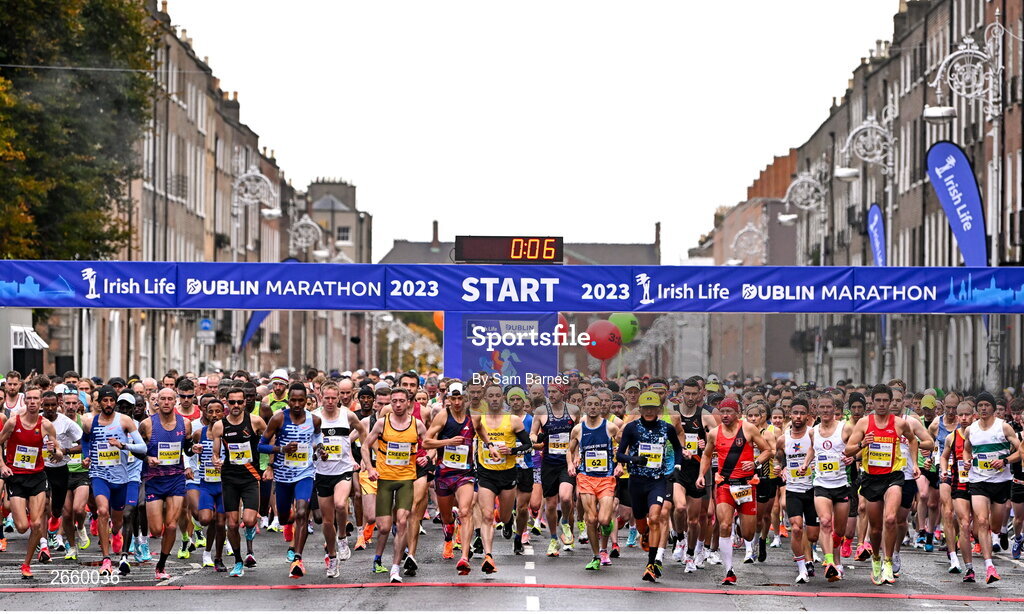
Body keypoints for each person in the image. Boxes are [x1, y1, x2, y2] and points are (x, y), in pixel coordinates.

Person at [844, 384, 920, 585]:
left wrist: (914, 463)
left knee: (891, 518)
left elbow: (913, 441)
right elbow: (848, 450)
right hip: (872, 478)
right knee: (876, 528)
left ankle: (888, 561)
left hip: (894, 476)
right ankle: (876, 558)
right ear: (872, 402)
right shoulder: (864, 423)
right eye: (878, 400)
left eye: (885, 400)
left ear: (890, 401)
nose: (882, 404)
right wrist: (863, 444)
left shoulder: (899, 423)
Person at [698, 397, 772, 585]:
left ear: (737, 413)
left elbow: (767, 450)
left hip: (745, 485)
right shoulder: (714, 433)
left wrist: (755, 463)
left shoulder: (748, 429)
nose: (725, 415)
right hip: (725, 485)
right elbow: (707, 455)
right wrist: (701, 475)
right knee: (724, 525)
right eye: (722, 412)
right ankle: (729, 570)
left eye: (729, 412)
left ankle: (740, 522)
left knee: (748, 534)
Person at [617, 391, 685, 582]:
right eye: (645, 408)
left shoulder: (666, 428)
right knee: (641, 525)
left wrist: (677, 467)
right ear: (640, 409)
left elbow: (677, 448)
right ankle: (645, 533)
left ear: (659, 409)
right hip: (637, 481)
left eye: (652, 408)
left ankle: (651, 564)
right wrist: (634, 459)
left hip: (658, 480)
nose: (649, 411)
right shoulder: (631, 428)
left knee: (655, 517)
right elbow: (619, 455)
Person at [81, 385, 147, 577]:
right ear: (99, 403)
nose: (108, 404)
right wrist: (86, 456)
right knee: (102, 511)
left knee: (118, 521)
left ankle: (116, 532)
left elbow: (142, 448)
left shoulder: (125, 421)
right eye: (105, 401)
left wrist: (123, 445)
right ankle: (106, 559)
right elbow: (85, 440)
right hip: (99, 475)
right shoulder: (90, 422)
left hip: (122, 477)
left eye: (111, 401)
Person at [259, 382, 322, 579]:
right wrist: (281, 449)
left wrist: (321, 450)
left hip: (305, 474)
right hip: (283, 476)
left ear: (306, 400)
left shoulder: (315, 420)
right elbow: (261, 446)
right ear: (288, 400)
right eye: (293, 400)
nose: (296, 404)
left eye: (300, 400)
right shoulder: (278, 418)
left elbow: (318, 440)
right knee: (285, 517)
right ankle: (288, 522)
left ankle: (297, 558)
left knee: (303, 512)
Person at [362, 387, 425, 583]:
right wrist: (370, 468)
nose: (397, 405)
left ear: (408, 403)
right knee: (384, 527)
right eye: (394, 401)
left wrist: (428, 457)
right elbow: (365, 446)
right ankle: (378, 558)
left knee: (403, 521)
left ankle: (395, 568)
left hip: (406, 479)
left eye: (401, 401)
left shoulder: (417, 424)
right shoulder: (382, 423)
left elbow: (430, 444)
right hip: (385, 480)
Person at [0, 387, 63, 578]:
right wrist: (2, 465)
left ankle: (26, 564)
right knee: (21, 527)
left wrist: (54, 451)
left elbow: (59, 454)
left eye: (36, 398)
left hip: (37, 477)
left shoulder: (46, 425)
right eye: (30, 398)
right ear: (25, 401)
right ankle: (21, 510)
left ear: (41, 401)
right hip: (17, 477)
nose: (33, 402)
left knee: (36, 524)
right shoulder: (13, 422)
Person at [472, 383, 533, 575]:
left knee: (504, 516)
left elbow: (528, 445)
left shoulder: (513, 420)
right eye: (491, 396)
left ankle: (508, 521)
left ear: (502, 398)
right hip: (486, 473)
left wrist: (512, 450)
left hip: (507, 474)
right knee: (487, 516)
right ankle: (489, 556)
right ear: (485, 398)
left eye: (497, 395)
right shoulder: (478, 420)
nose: (494, 399)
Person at [962, 391, 1022, 584]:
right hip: (978, 480)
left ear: (994, 408)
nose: (983, 408)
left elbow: (1020, 450)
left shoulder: (1003, 427)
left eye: (987, 405)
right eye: (980, 405)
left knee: (994, 526)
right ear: (976, 409)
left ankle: (981, 533)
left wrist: (1005, 461)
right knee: (982, 520)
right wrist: (967, 461)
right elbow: (966, 450)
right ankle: (989, 567)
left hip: (1000, 482)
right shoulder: (971, 429)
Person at [314, 382, 370, 578]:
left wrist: (363, 456)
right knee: (327, 521)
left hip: (343, 469)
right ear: (321, 397)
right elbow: (308, 440)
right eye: (326, 398)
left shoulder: (348, 415)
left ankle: (343, 537)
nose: (330, 401)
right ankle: (332, 557)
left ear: (338, 398)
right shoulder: (314, 417)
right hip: (322, 472)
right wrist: (317, 450)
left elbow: (362, 431)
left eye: (333, 398)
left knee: (340, 504)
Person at [211, 387, 267, 577]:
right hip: (229, 478)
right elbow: (215, 453)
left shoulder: (255, 421)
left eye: (239, 402)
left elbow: (271, 438)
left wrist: (270, 465)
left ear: (245, 403)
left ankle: (250, 530)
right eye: (232, 402)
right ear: (226, 402)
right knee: (233, 524)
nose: (236, 405)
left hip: (250, 477)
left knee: (249, 520)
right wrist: (216, 460)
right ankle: (238, 560)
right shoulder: (219, 426)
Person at [138, 387, 193, 580]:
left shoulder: (185, 423)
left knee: (171, 526)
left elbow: (187, 449)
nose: (167, 402)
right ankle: (160, 512)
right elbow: (137, 450)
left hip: (176, 478)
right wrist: (148, 458)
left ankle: (161, 565)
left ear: (175, 401)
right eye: (163, 399)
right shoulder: (146, 424)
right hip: (154, 479)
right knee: (155, 530)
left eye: (170, 399)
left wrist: (195, 448)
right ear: (157, 402)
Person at [422, 382, 477, 570]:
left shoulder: (473, 417)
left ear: (466, 399)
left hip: (465, 473)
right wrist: (448, 442)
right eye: (453, 398)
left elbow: (485, 436)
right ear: (448, 399)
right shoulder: (443, 416)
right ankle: (448, 534)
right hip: (444, 474)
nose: (457, 402)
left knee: (465, 511)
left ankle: (464, 556)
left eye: (460, 398)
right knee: (447, 517)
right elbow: (426, 442)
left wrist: (492, 447)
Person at [568, 393, 622, 571]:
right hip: (586, 477)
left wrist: (620, 464)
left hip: (606, 478)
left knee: (604, 520)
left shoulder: (610, 427)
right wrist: (571, 463)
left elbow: (623, 445)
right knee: (591, 519)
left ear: (601, 407)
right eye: (589, 404)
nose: (592, 407)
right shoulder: (578, 429)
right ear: (584, 407)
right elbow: (570, 449)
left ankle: (605, 535)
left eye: (596, 404)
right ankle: (596, 555)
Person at [803, 394, 853, 581]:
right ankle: (830, 562)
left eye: (828, 407)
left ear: (835, 409)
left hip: (841, 484)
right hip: (821, 484)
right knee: (824, 522)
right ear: (816, 409)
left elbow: (856, 446)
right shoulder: (813, 432)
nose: (825, 410)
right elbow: (812, 449)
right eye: (821, 407)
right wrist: (805, 464)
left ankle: (837, 561)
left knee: (839, 531)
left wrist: (853, 457)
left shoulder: (844, 428)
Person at [671, 377, 718, 572]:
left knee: (698, 517)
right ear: (681, 393)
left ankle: (695, 552)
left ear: (700, 394)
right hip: (678, 468)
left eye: (694, 394)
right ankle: (679, 538)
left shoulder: (705, 415)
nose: (690, 397)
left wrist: (706, 442)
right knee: (679, 507)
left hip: (699, 470)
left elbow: (718, 441)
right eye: (687, 394)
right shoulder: (673, 414)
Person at [530, 383, 580, 555]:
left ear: (563, 393)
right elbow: (532, 433)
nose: (551, 395)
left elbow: (578, 435)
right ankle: (553, 539)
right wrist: (536, 438)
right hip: (549, 463)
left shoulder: (573, 410)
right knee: (550, 505)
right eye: (549, 392)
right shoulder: (541, 411)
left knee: (566, 497)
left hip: (567, 463)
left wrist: (577, 456)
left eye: (554, 392)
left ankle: (564, 521)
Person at [778, 399, 818, 584]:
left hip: (813, 488)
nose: (798, 416)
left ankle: (810, 557)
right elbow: (778, 457)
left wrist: (815, 466)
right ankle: (802, 568)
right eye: (795, 413)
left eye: (802, 413)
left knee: (813, 535)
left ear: (807, 416)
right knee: (796, 528)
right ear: (790, 415)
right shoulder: (783, 439)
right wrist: (781, 468)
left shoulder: (813, 434)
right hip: (793, 489)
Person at [939, 402, 977, 581]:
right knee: (960, 521)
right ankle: (955, 559)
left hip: (978, 485)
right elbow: (944, 456)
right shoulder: (951, 437)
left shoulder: (979, 435)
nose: (963, 418)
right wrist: (943, 470)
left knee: (979, 526)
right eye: (960, 415)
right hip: (957, 483)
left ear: (973, 415)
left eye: (967, 415)